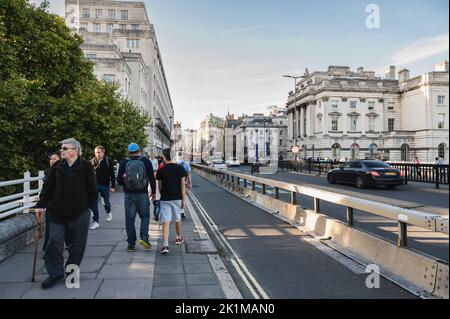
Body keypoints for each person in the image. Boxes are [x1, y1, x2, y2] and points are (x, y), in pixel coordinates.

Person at [35, 138, 97, 289]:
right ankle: (55, 274)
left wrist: (86, 207)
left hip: (79, 214)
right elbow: (47, 188)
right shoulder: (56, 166)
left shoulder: (87, 167)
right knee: (53, 243)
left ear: (75, 150)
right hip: (57, 213)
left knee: (77, 246)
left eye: (64, 148)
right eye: (61, 148)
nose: (61, 150)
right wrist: (41, 205)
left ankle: (71, 273)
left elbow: (93, 191)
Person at [117, 143, 156, 252]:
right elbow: (152, 178)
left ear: (128, 152)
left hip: (128, 195)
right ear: (139, 150)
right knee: (145, 216)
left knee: (129, 220)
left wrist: (126, 181)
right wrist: (153, 192)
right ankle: (144, 238)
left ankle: (131, 244)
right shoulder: (146, 161)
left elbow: (119, 181)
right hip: (143, 194)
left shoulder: (124, 162)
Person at [156, 148, 187, 255]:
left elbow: (159, 187)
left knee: (166, 221)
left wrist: (163, 192)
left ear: (164, 157)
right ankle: (178, 238)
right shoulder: (180, 169)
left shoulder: (161, 170)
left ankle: (165, 245)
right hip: (177, 198)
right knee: (177, 219)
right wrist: (184, 200)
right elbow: (183, 186)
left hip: (165, 199)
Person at [90, 146, 116, 230]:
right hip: (94, 186)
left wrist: (113, 186)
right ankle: (96, 221)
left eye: (99, 152)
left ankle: (108, 212)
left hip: (105, 185)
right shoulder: (92, 162)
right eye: (96, 152)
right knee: (94, 203)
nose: (97, 154)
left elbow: (112, 174)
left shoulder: (108, 161)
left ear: (103, 152)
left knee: (106, 202)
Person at [42, 152, 61, 252]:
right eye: (51, 159)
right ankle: (46, 249)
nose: (52, 161)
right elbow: (45, 191)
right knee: (49, 229)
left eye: (55, 159)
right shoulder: (47, 172)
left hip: (62, 206)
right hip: (50, 206)